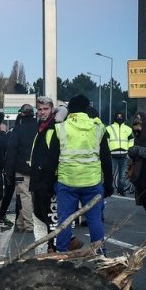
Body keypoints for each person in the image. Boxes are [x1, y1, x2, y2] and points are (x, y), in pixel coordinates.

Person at [48, 95, 113, 253]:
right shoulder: (98, 128)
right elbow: (106, 158)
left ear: (70, 110)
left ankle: (62, 255)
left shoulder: (61, 128)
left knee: (65, 220)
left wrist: (51, 183)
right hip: (92, 182)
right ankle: (100, 256)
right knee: (95, 220)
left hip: (67, 182)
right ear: (86, 109)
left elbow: (52, 160)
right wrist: (109, 184)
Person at [28, 97, 57, 254]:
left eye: (45, 109)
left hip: (48, 180)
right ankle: (48, 246)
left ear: (51, 109)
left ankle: (54, 247)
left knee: (51, 216)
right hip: (37, 178)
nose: (42, 112)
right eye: (40, 109)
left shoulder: (55, 126)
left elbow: (53, 155)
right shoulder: (40, 127)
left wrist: (48, 176)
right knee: (40, 214)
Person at [3, 104, 38, 232]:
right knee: (30, 196)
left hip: (21, 169)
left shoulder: (18, 129)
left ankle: (28, 225)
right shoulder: (39, 128)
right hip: (36, 168)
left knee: (23, 196)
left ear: (21, 114)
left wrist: (8, 171)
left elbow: (11, 151)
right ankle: (20, 223)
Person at [106, 112, 134, 196]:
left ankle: (121, 190)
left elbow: (131, 140)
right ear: (114, 117)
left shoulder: (128, 129)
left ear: (123, 118)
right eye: (117, 116)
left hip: (124, 154)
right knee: (110, 173)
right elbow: (106, 141)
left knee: (122, 175)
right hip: (112, 154)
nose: (119, 118)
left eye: (121, 117)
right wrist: (107, 152)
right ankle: (108, 189)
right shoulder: (108, 128)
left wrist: (129, 151)